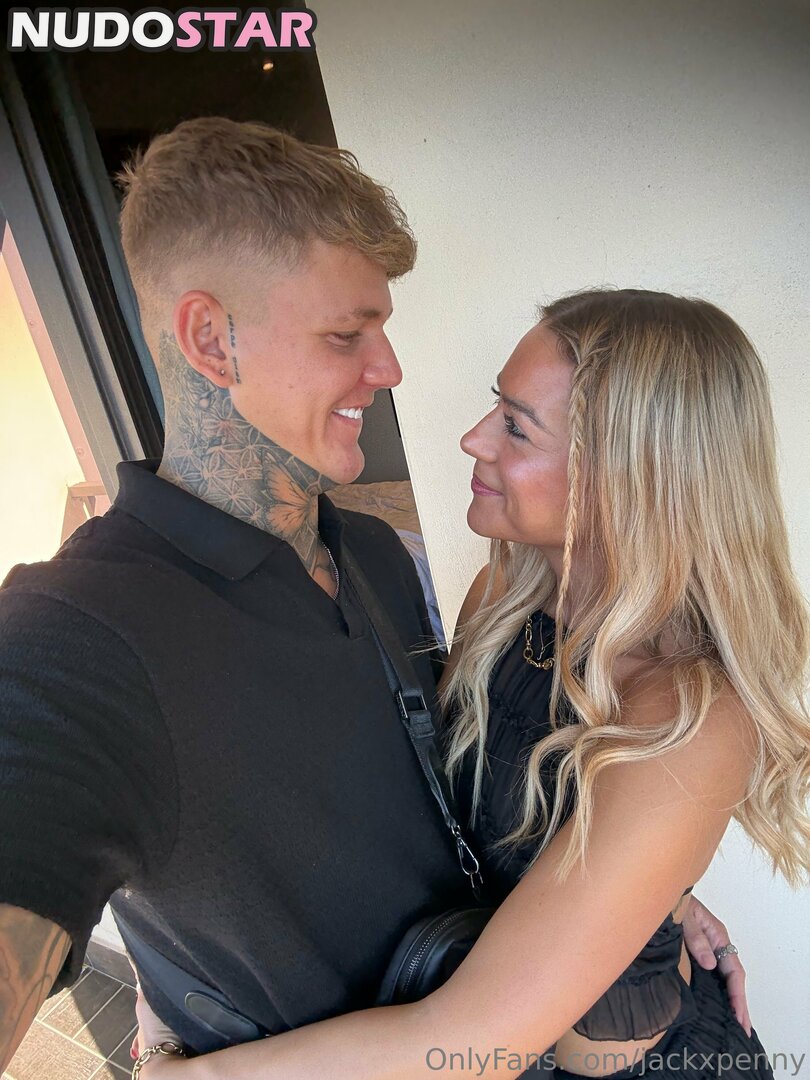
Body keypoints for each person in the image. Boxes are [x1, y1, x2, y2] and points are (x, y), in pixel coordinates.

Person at [0, 119, 743, 1074]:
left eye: (381, 330)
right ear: (211, 340)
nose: (390, 370)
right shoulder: (72, 637)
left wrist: (635, 888)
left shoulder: (375, 556)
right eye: (347, 335)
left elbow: (449, 796)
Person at [131, 289, 808, 1079]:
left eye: (516, 426)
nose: (472, 438)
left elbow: (474, 1043)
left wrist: (184, 1074)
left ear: (631, 478)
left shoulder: (690, 713)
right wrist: (650, 892)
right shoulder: (505, 600)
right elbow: (479, 804)